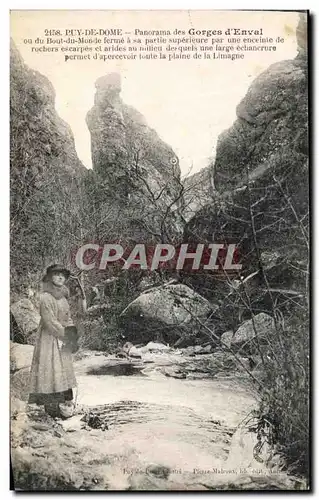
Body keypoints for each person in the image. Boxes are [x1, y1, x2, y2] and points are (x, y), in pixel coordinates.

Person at [28, 264, 86, 418]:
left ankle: (64, 407)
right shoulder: (45, 296)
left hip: (63, 338)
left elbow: (67, 317)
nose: (60, 277)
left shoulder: (63, 296)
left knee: (63, 371)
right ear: (50, 277)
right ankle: (51, 409)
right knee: (50, 370)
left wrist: (72, 331)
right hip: (50, 338)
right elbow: (49, 321)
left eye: (63, 275)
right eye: (57, 274)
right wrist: (65, 334)